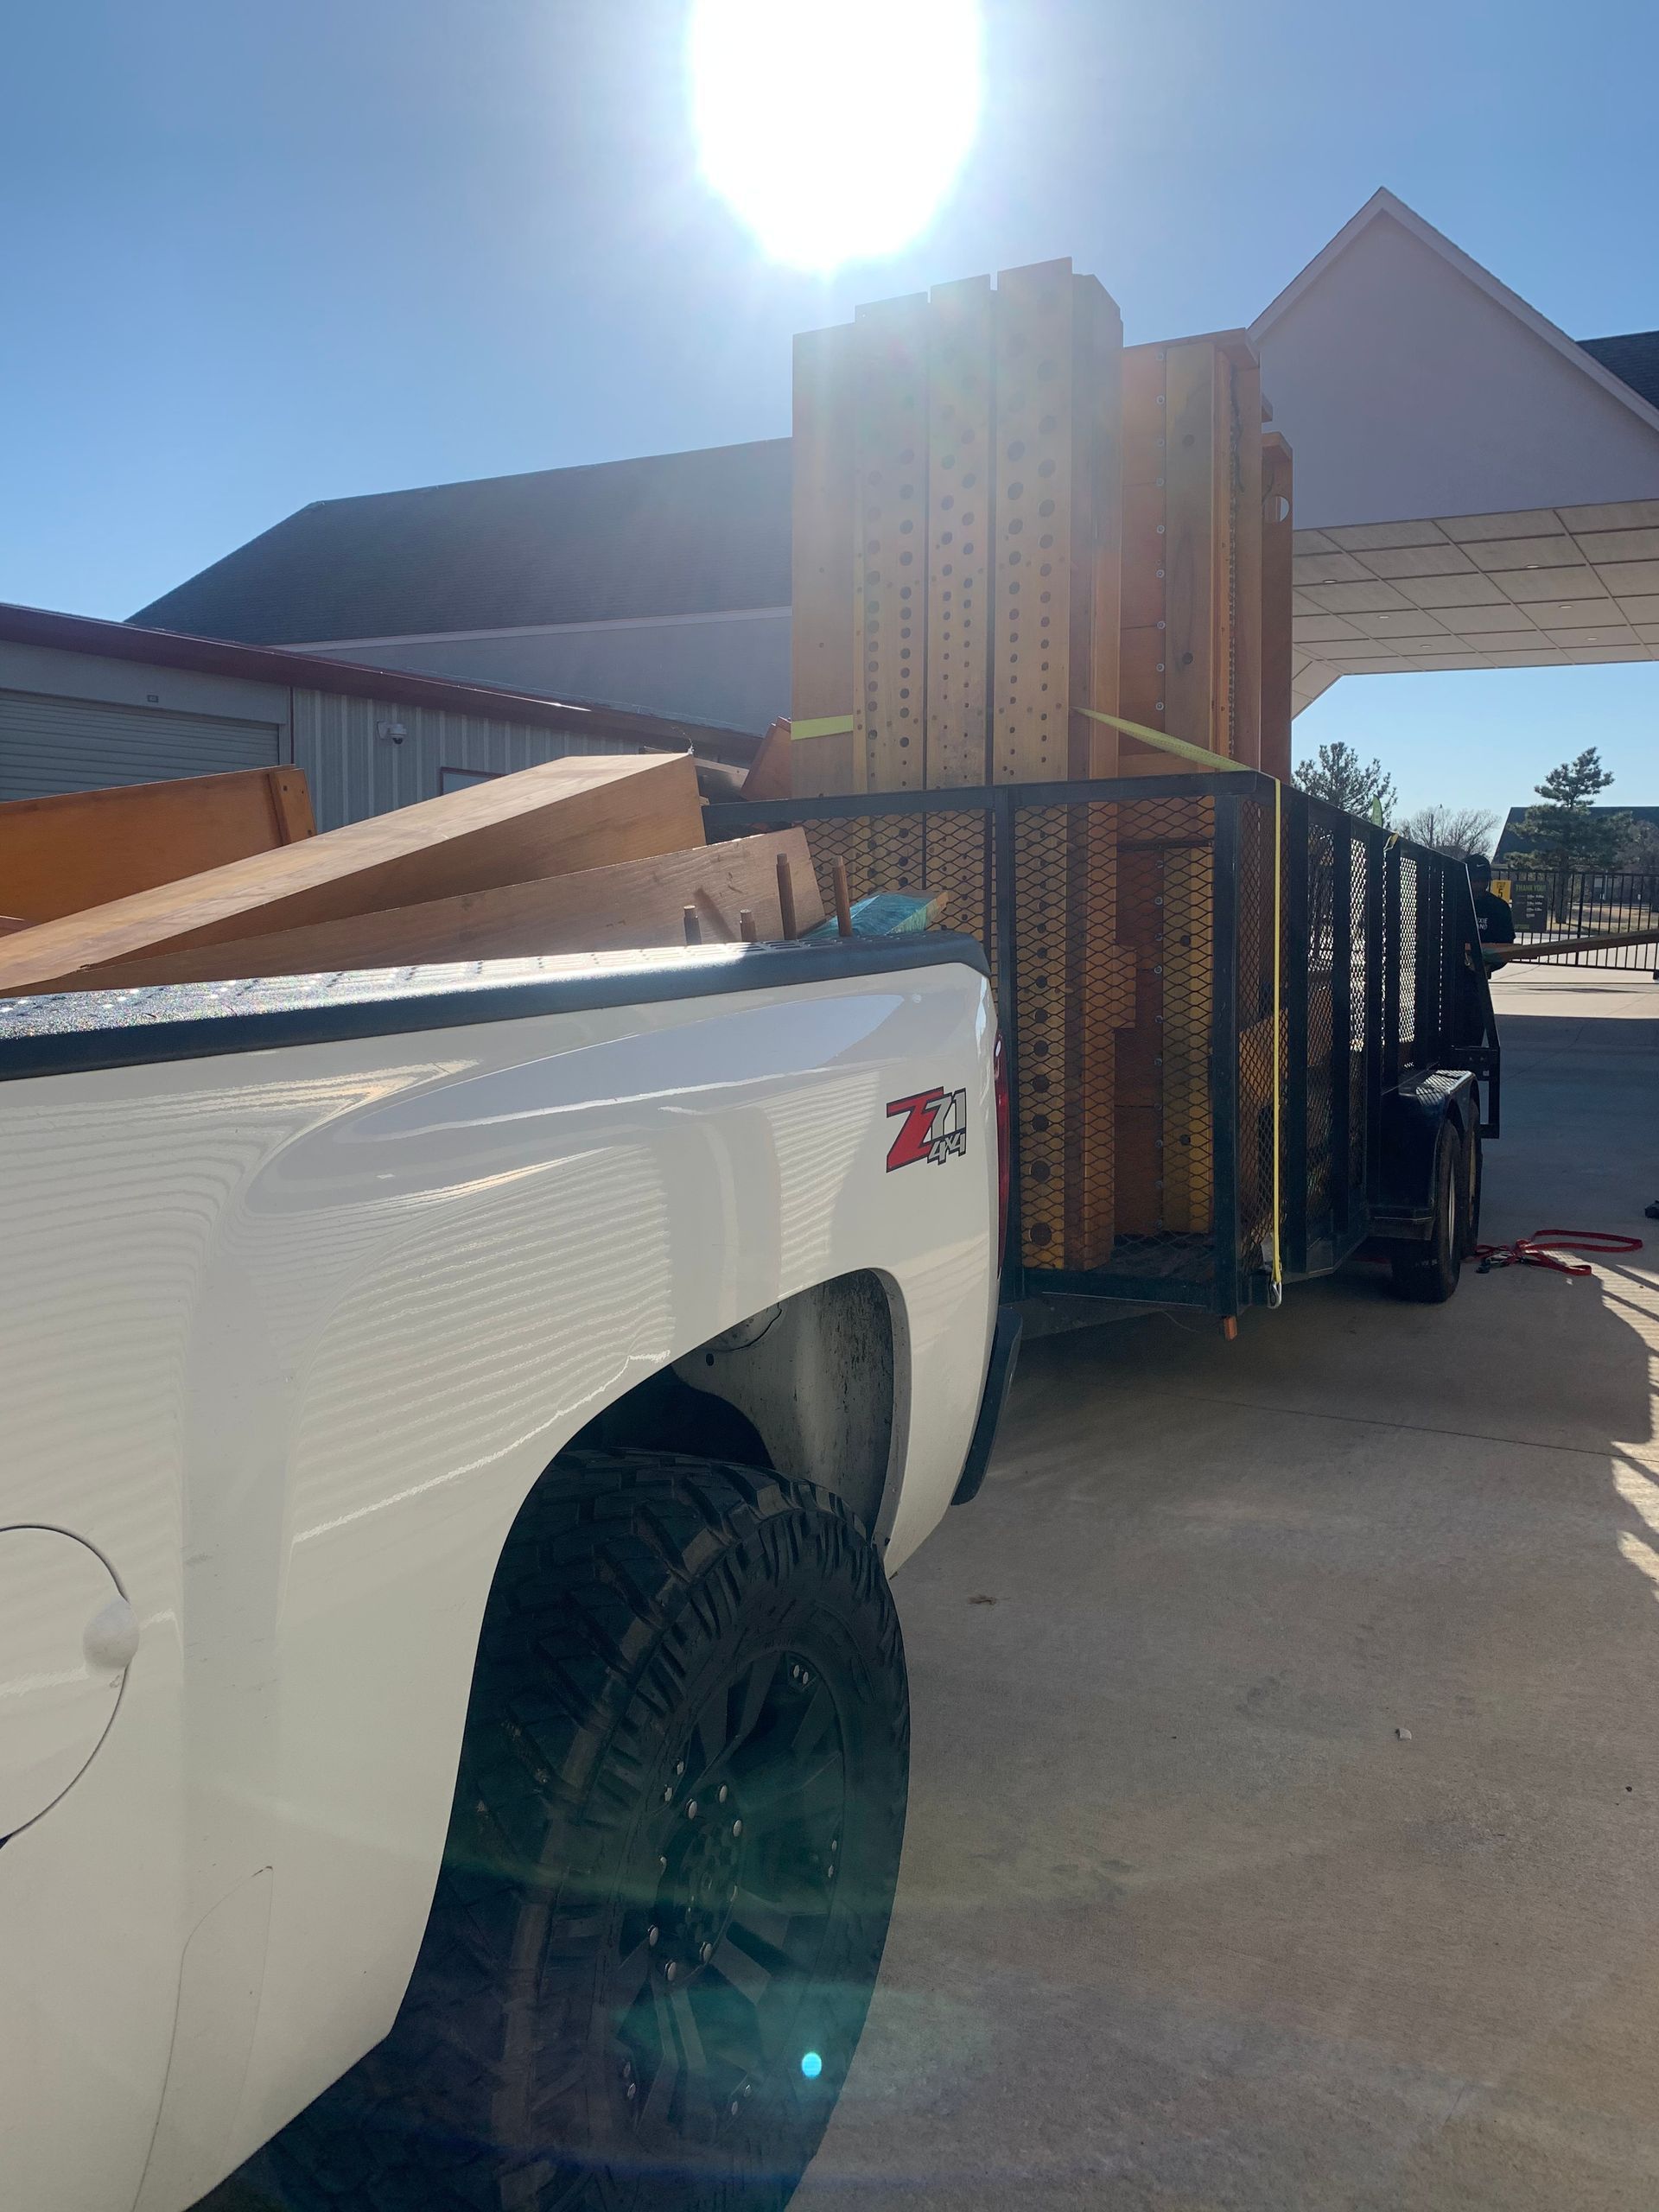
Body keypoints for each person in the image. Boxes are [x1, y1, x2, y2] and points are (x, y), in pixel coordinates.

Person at [1465, 855, 1515, 965]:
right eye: (1475, 881)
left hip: (1485, 965)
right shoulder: (1450, 904)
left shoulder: (1499, 907)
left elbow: (1506, 946)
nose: (1479, 886)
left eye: (1484, 881)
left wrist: (1485, 965)